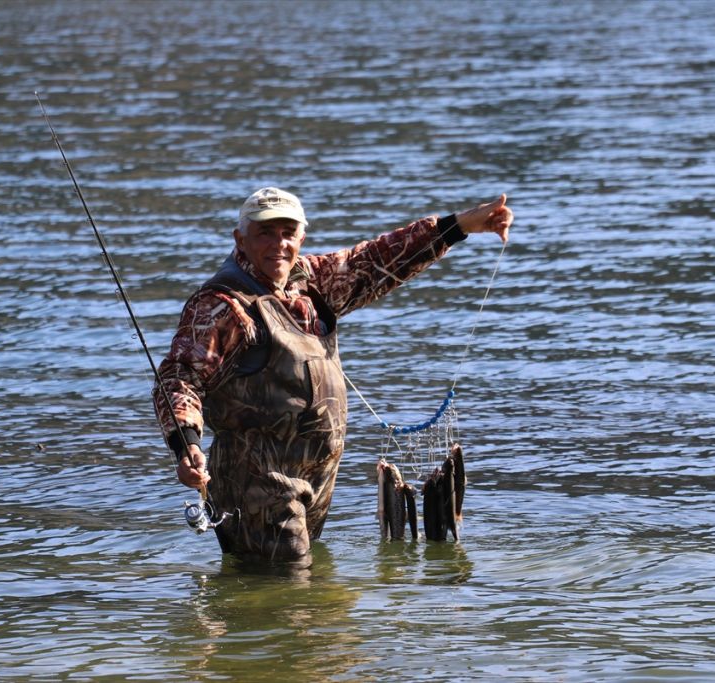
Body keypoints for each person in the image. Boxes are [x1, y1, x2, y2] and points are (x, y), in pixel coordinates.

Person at [153, 187, 512, 564]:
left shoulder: (307, 283)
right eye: (265, 233)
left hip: (314, 480)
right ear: (240, 239)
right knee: (287, 593)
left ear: (301, 237)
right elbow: (180, 377)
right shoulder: (220, 306)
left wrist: (459, 226)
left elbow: (376, 260)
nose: (279, 244)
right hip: (258, 485)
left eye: (288, 233)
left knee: (313, 607)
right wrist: (186, 442)